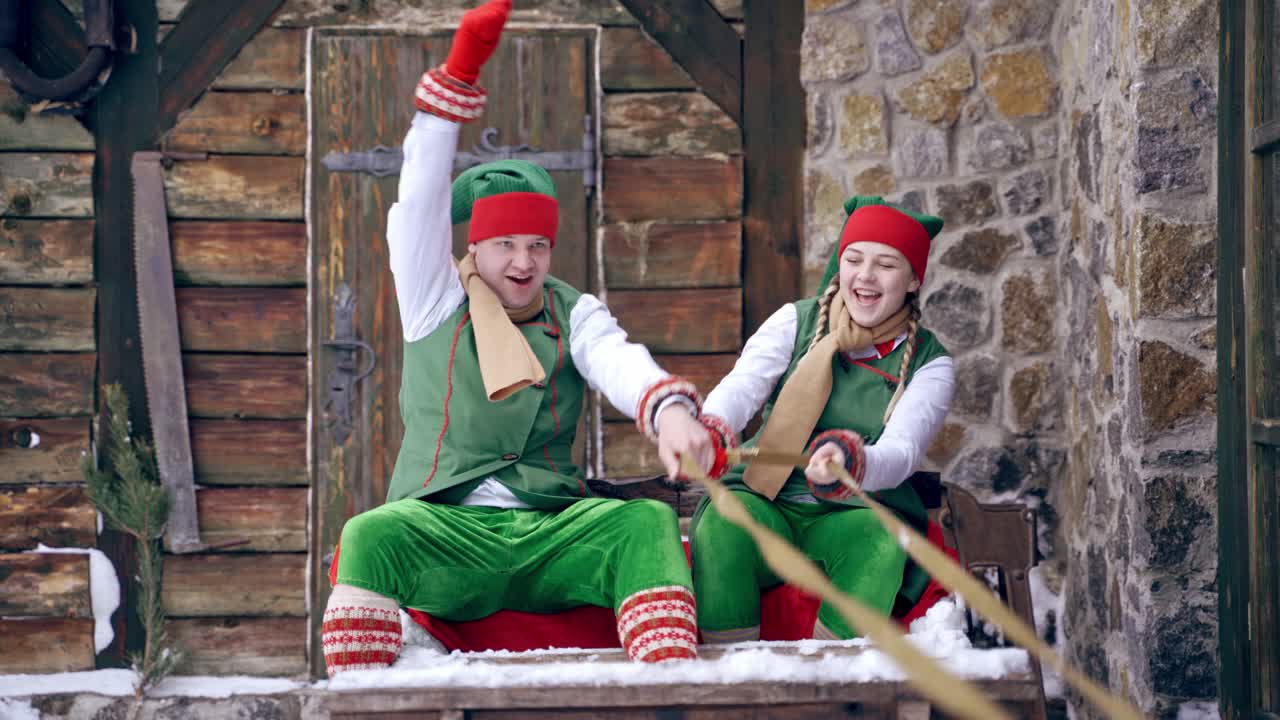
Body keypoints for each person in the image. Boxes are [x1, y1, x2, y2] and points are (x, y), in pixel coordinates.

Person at [320, 0, 714, 675]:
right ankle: (366, 700)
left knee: (645, 524)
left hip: (551, 530)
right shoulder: (434, 299)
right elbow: (415, 202)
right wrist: (453, 85)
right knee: (368, 534)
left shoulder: (575, 311)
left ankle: (668, 690)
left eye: (538, 245)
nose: (524, 263)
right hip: (450, 532)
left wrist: (671, 411)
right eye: (505, 244)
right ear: (475, 246)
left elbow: (620, 362)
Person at [690, 196, 956, 643]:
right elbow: (742, 388)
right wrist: (712, 427)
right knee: (725, 520)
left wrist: (852, 461)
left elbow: (902, 452)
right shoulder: (796, 322)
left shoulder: (930, 364)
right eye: (854, 259)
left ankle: (833, 683)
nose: (866, 277)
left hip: (852, 511)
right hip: (766, 497)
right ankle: (731, 683)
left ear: (913, 280)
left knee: (880, 542)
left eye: (886, 265)